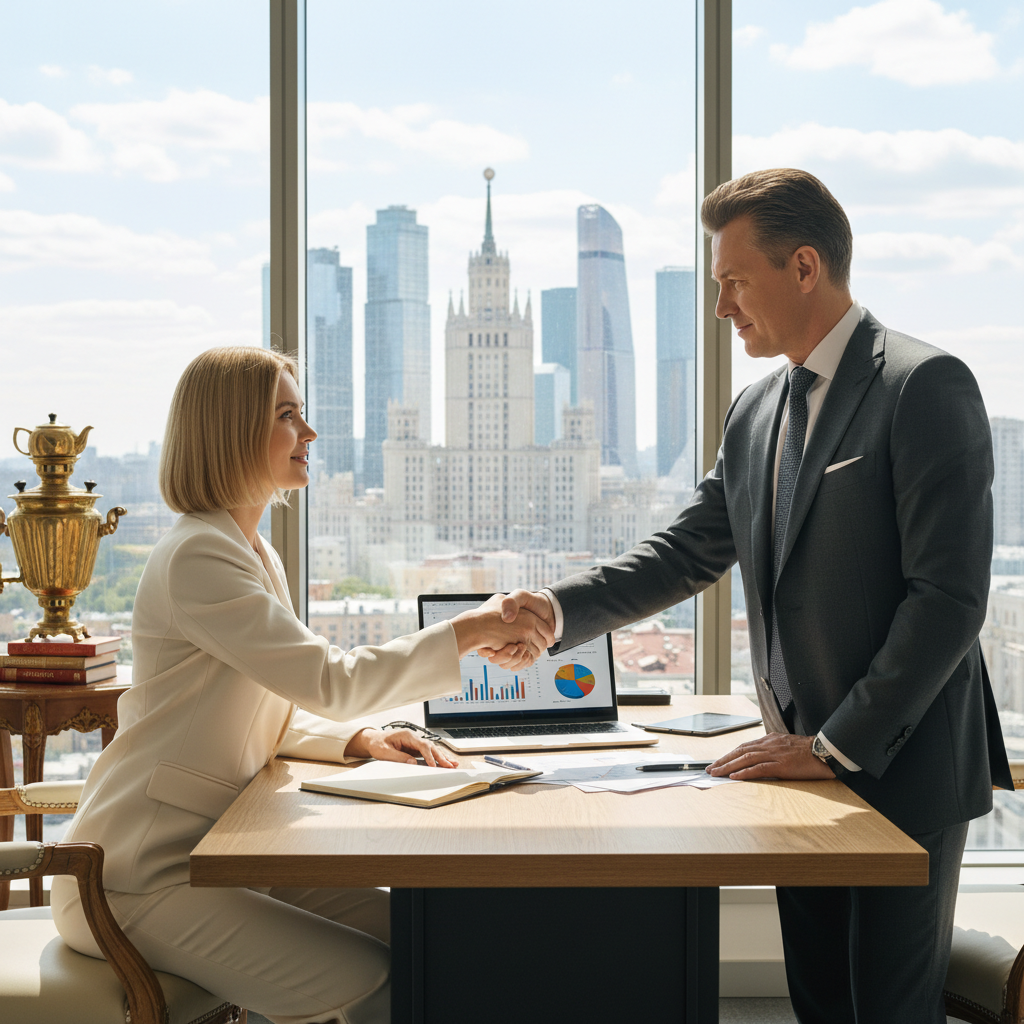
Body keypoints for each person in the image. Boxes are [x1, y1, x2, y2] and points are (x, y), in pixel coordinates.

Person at [492, 169, 1012, 1024]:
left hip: (895, 766)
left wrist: (837, 746)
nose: (722, 306)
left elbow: (948, 599)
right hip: (794, 768)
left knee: (884, 1009)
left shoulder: (925, 385)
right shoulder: (755, 407)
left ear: (804, 267)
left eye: (735, 281)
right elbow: (687, 549)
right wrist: (556, 615)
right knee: (817, 1003)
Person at [50, 346, 552, 1024]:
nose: (309, 435)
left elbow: (271, 704)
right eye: (288, 416)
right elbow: (326, 678)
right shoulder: (200, 555)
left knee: (422, 937)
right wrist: (466, 631)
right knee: (378, 980)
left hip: (225, 849)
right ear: (232, 434)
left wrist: (362, 739)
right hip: (141, 878)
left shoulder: (251, 550)